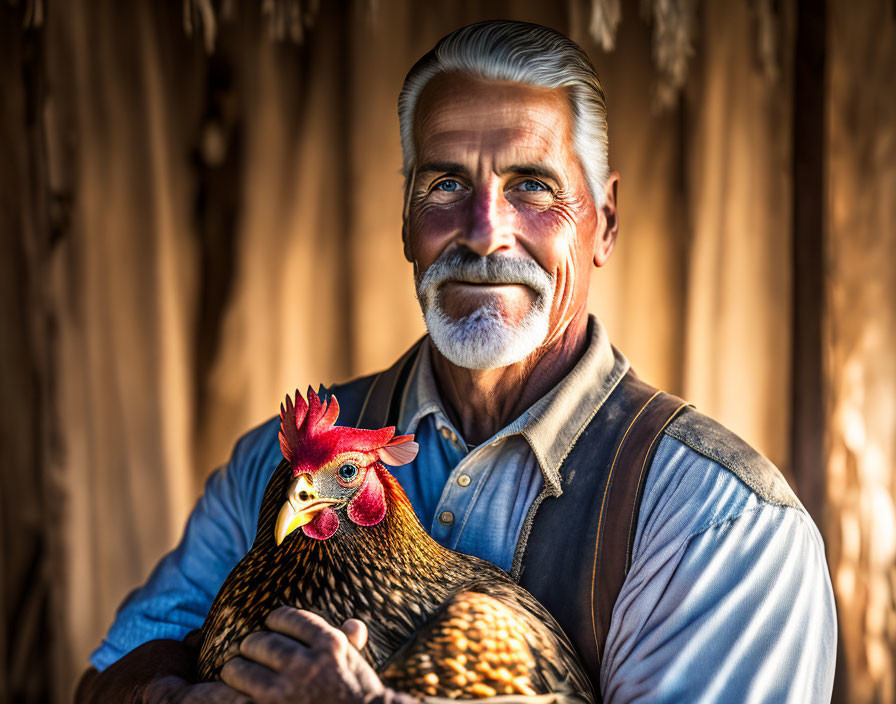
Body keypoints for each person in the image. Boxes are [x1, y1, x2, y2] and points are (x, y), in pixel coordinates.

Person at [76, 20, 836, 704]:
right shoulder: (272, 475)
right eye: (446, 184)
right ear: (406, 220)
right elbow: (114, 671)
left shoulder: (717, 523)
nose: (484, 231)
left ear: (604, 223)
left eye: (532, 186)